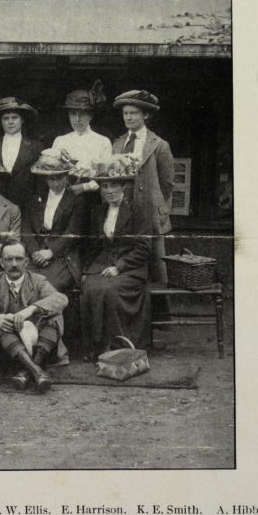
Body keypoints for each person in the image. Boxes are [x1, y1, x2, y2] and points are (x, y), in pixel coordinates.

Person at [79, 157, 152, 360]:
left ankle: (117, 347)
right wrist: (86, 271)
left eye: (114, 186)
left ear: (124, 186)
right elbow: (93, 246)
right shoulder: (98, 212)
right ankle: (95, 347)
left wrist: (120, 267)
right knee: (90, 289)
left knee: (110, 290)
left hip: (131, 268)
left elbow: (144, 248)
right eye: (105, 186)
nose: (109, 191)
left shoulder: (139, 211)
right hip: (102, 264)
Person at [0, 243, 69, 393]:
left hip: (39, 343)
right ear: (1, 262)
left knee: (55, 315)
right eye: (9, 259)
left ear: (26, 261)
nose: (14, 264)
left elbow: (61, 299)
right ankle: (37, 372)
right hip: (9, 346)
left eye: (18, 259)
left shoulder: (38, 280)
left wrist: (30, 310)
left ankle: (27, 371)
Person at [112, 90, 175, 284]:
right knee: (127, 263)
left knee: (157, 266)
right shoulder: (118, 143)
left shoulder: (159, 145)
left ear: (145, 115)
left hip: (150, 216)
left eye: (134, 113)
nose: (128, 117)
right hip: (125, 214)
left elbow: (167, 183)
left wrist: (152, 203)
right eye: (125, 113)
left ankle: (162, 313)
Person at [22, 149, 86, 293]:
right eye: (52, 179)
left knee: (49, 287)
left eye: (60, 178)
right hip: (36, 254)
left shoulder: (76, 199)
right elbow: (26, 229)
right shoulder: (36, 198)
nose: (56, 183)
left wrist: (51, 252)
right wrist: (34, 252)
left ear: (66, 176)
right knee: (23, 283)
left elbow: (73, 232)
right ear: (46, 179)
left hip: (62, 256)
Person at [52, 86, 113, 201]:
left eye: (82, 114)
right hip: (65, 196)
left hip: (92, 197)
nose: (77, 119)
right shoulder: (60, 141)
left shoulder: (103, 142)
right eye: (73, 114)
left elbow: (106, 177)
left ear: (91, 115)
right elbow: (54, 173)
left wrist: (84, 187)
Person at [0, 97, 43, 212]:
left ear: (22, 120)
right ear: (1, 122)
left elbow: (40, 181)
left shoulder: (35, 147)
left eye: (14, 117)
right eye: (6, 118)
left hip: (27, 207)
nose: (10, 122)